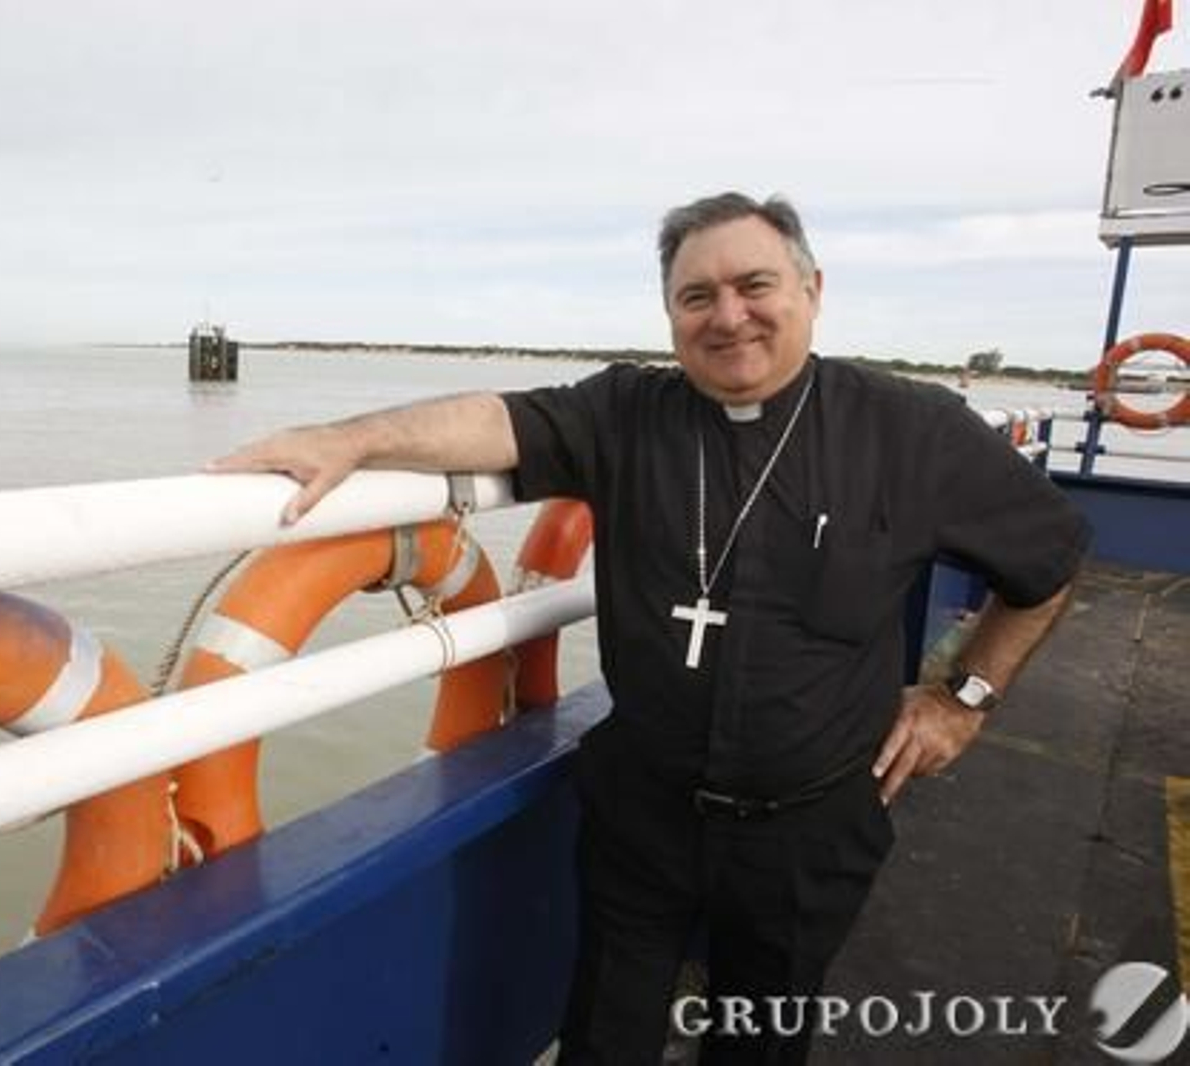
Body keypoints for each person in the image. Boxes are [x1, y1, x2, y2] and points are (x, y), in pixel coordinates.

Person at [208, 192, 1089, 1064]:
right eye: (696, 297)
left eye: (755, 285)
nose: (729, 316)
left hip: (813, 825)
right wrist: (352, 438)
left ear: (812, 290)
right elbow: (494, 420)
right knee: (604, 1037)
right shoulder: (627, 414)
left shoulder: (910, 429)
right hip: (645, 816)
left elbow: (1048, 561)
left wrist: (962, 699)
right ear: (669, 313)